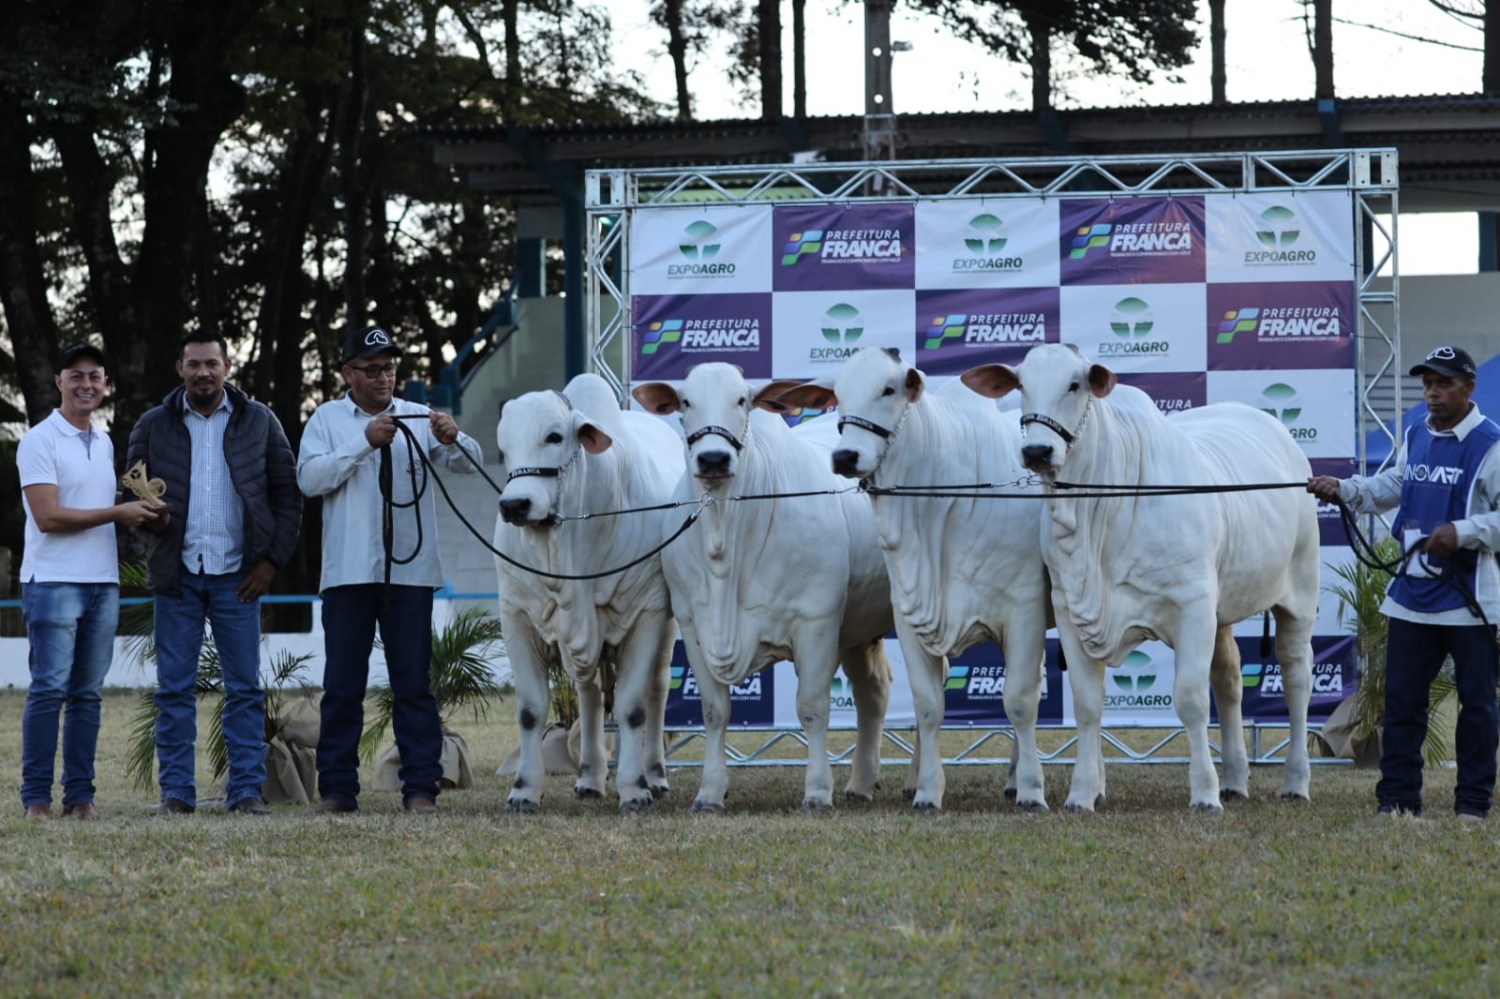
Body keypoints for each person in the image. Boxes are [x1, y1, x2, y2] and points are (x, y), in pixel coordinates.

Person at [1309, 344, 1500, 823]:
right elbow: (1392, 485)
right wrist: (1345, 489)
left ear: (1468, 388)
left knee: (1477, 709)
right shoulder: (1416, 434)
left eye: (1444, 384)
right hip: (1412, 598)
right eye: (1428, 384)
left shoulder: (1491, 445)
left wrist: (1464, 531)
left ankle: (1472, 807)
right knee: (1402, 706)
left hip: (1469, 600)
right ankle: (1397, 801)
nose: (1433, 394)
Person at [296, 324, 481, 815]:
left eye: (390, 368)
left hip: (410, 573)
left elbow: (471, 464)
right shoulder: (328, 419)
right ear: (348, 373)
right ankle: (337, 790)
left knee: (413, 684)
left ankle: (421, 787)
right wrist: (363, 442)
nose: (384, 378)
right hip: (348, 574)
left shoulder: (419, 416)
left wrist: (455, 435)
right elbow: (310, 479)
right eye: (373, 369)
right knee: (342, 687)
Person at [125, 329, 302, 816]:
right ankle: (177, 794)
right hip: (177, 577)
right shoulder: (153, 424)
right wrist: (154, 534)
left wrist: (271, 562)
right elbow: (129, 500)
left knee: (244, 688)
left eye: (212, 363)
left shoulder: (260, 421)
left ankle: (246, 791)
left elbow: (287, 496)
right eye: (194, 364)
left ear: (227, 368)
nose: (203, 371)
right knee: (174, 690)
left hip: (238, 575)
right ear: (179, 369)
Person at [17, 342, 165, 820]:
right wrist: (119, 512)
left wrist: (146, 508)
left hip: (103, 584)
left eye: (95, 376)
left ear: (105, 384)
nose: (86, 384)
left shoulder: (102, 442)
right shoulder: (40, 439)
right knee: (49, 690)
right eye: (75, 376)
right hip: (54, 582)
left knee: (86, 695)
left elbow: (103, 503)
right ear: (59, 382)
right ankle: (36, 799)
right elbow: (47, 517)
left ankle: (80, 798)